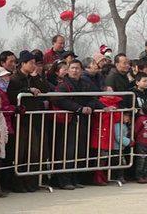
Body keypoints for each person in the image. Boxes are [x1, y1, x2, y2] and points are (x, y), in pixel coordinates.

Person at [52, 60, 107, 190]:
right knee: (67, 151)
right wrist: (78, 108)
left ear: (81, 70)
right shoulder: (63, 85)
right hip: (69, 122)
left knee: (80, 150)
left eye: (77, 68)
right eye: (72, 68)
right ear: (68, 70)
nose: (75, 71)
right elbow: (58, 99)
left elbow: (91, 98)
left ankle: (74, 178)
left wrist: (90, 107)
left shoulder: (85, 84)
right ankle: (64, 179)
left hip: (82, 122)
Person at [7, 50, 50, 193]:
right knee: (21, 152)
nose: (33, 66)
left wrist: (36, 77)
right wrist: (27, 89)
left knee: (34, 152)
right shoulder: (14, 79)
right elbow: (12, 95)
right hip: (21, 120)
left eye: (35, 63)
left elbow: (45, 89)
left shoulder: (33, 77)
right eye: (31, 63)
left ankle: (31, 180)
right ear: (23, 63)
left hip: (34, 119)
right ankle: (17, 182)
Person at [90, 89, 123, 186]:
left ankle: (102, 174)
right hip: (100, 132)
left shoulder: (115, 103)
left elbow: (117, 118)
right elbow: (99, 117)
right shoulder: (100, 102)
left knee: (106, 155)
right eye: (109, 91)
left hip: (109, 132)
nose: (112, 93)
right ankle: (97, 175)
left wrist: (114, 110)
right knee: (101, 156)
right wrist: (107, 111)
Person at [112, 112, 133, 183]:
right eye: (126, 116)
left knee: (122, 162)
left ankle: (120, 176)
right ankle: (118, 177)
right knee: (119, 162)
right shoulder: (118, 125)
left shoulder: (124, 125)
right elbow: (118, 137)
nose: (128, 118)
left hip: (121, 148)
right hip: (116, 148)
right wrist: (128, 142)